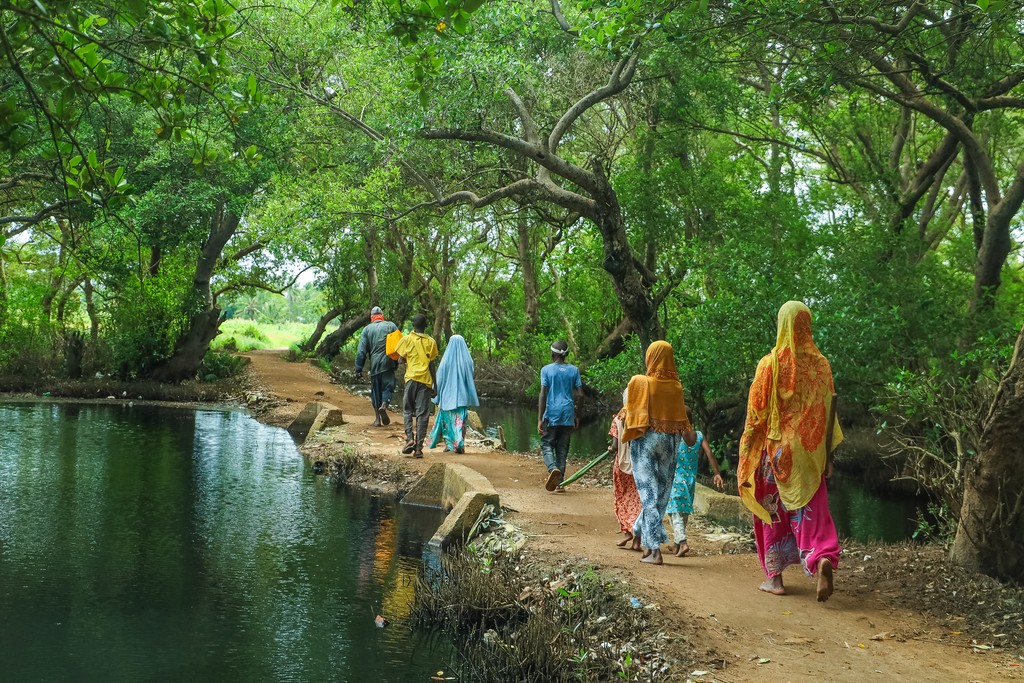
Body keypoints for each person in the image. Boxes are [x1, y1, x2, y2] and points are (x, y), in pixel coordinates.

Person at [737, 301, 843, 603]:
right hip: (809, 451)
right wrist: (828, 456)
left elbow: (756, 413)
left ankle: (774, 579)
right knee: (812, 512)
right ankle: (821, 557)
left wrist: (748, 452)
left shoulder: (769, 364)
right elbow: (828, 412)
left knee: (771, 511)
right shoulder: (821, 364)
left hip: (775, 451)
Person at [622, 340, 690, 565]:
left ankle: (654, 550)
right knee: (661, 495)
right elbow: (683, 422)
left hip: (646, 441)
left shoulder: (641, 382)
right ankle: (643, 535)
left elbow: (629, 413)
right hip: (670, 441)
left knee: (648, 495)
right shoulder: (676, 387)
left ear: (651, 357)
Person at [666, 408, 725, 557]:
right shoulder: (698, 435)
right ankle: (676, 545)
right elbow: (709, 453)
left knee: (674, 512)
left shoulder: (677, 435)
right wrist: (717, 473)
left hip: (676, 480)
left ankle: (683, 542)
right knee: (684, 511)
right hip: (690, 480)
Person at [537, 340, 582, 492]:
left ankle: (552, 469)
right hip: (568, 413)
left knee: (546, 444)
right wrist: (577, 415)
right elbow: (581, 395)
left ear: (553, 354)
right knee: (562, 448)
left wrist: (539, 419)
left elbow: (543, 394)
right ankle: (560, 483)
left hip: (552, 413)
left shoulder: (546, 370)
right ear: (566, 354)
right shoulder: (574, 370)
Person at [395, 314, 439, 458]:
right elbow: (432, 364)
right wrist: (435, 384)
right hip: (425, 382)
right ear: (425, 326)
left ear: (413, 325)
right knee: (422, 414)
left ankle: (409, 439)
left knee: (407, 410)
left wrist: (405, 360)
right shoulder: (431, 342)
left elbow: (400, 360)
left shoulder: (406, 339)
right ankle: (419, 448)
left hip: (411, 379)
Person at [428, 334, 479, 454]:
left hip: (447, 397)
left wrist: (436, 394)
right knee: (460, 422)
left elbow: (439, 379)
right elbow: (470, 378)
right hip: (462, 397)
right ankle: (460, 444)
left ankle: (450, 445)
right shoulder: (468, 361)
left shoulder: (445, 362)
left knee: (447, 422)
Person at [608, 388, 642, 551]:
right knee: (639, 502)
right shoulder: (642, 418)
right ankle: (637, 540)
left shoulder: (618, 419)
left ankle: (627, 532)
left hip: (621, 466)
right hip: (639, 467)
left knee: (622, 497)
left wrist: (610, 448)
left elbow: (615, 446)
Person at [355, 306, 399, 426]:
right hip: (388, 364)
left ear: (371, 318)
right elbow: (399, 344)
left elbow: (361, 352)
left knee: (376, 391)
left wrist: (358, 369)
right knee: (388, 387)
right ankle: (384, 405)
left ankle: (377, 420)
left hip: (375, 366)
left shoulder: (367, 330)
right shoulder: (391, 326)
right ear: (382, 316)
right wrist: (400, 361)